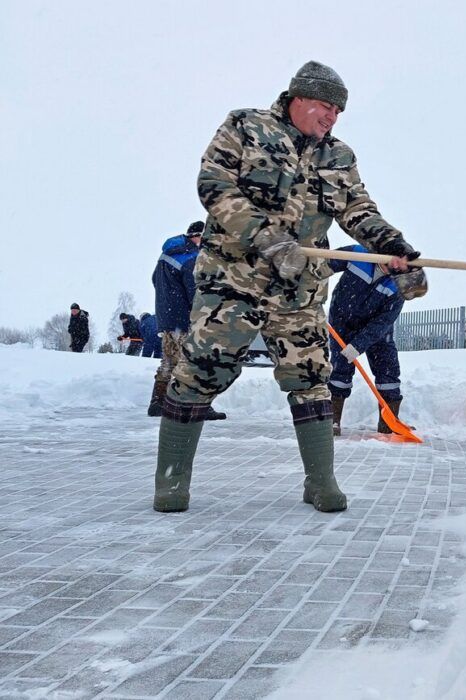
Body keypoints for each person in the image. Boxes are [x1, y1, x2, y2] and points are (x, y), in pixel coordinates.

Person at [153, 60, 426, 514]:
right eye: (324, 107)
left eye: (338, 112)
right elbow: (214, 186)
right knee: (202, 370)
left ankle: (320, 482)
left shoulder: (338, 156)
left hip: (298, 292)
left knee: (311, 377)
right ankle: (171, 480)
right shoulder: (245, 126)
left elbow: (358, 209)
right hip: (233, 282)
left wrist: (395, 248)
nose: (331, 118)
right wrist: (269, 239)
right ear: (297, 98)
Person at [327, 245, 418, 437]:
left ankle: (388, 424)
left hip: (377, 331)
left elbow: (383, 321)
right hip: (342, 323)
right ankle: (332, 421)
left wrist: (358, 345)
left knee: (388, 372)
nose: (393, 267)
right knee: (340, 370)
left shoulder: (397, 285)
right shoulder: (358, 254)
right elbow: (324, 264)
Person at [148, 221, 226, 420]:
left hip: (167, 318)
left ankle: (157, 402)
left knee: (168, 361)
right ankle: (198, 406)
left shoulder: (167, 255)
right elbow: (195, 292)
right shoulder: (191, 257)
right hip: (184, 319)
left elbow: (154, 279)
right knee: (195, 361)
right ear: (198, 236)